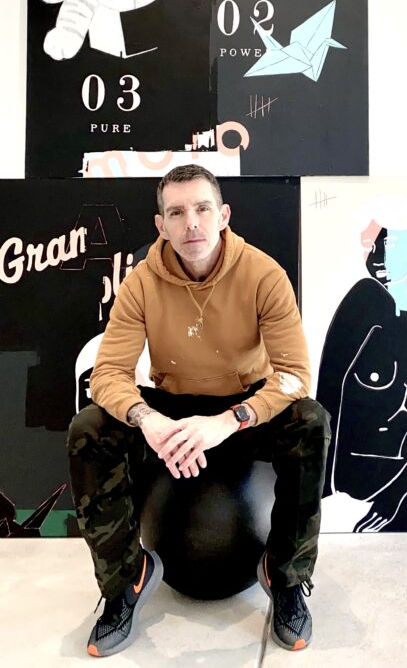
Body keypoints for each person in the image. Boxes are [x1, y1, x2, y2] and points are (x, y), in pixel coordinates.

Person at [66, 165, 330, 657]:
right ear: (160, 224)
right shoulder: (141, 282)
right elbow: (107, 376)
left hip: (243, 406)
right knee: (88, 429)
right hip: (171, 404)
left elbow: (293, 375)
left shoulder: (263, 274)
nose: (192, 223)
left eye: (202, 208)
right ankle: (125, 579)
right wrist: (152, 423)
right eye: (177, 212)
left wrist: (229, 422)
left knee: (311, 421)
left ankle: (286, 574)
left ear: (223, 214)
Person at [316, 197, 407, 532]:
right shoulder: (363, 301)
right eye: (371, 244)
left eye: (391, 243)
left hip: (400, 481)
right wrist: (322, 488)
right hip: (347, 484)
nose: (378, 256)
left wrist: (397, 493)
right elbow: (327, 398)